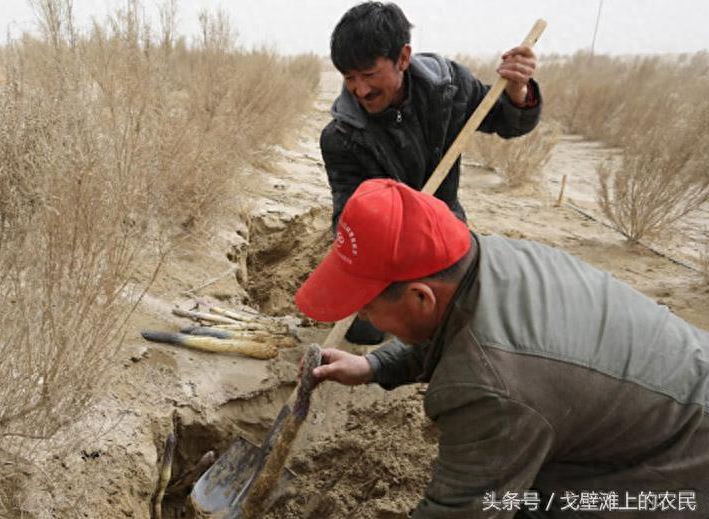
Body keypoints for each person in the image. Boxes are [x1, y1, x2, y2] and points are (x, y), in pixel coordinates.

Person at [294, 178, 709, 518]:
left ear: (421, 297)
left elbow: (459, 512)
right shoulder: (485, 260)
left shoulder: (492, 387)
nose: (363, 318)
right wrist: (374, 366)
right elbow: (459, 332)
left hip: (685, 462)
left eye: (367, 309)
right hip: (670, 391)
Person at [321, 2, 542, 344]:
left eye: (369, 75)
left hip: (445, 225)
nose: (360, 90)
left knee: (463, 317)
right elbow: (346, 214)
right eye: (350, 78)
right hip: (386, 244)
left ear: (403, 58)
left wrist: (517, 91)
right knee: (364, 329)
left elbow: (505, 120)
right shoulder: (342, 137)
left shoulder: (448, 87)